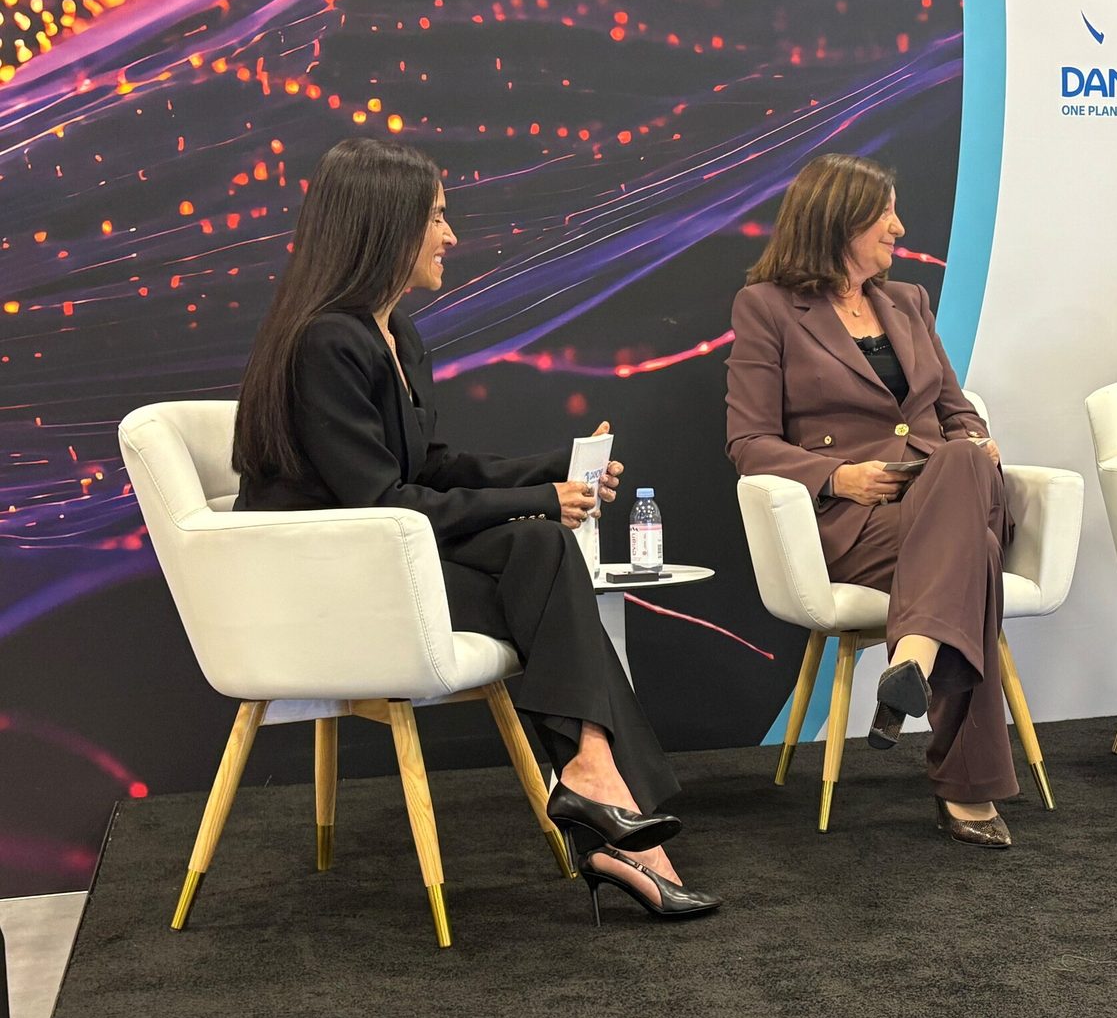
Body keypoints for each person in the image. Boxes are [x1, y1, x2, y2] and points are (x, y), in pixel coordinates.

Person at [233, 137, 720, 920]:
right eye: (436, 217)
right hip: (330, 582)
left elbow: (433, 466)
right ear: (384, 226)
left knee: (540, 544)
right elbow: (383, 501)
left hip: (388, 560)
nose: (451, 236)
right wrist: (537, 500)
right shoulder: (326, 342)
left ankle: (598, 785)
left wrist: (553, 472)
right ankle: (609, 806)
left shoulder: (395, 336)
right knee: (541, 544)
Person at [726, 153, 1017, 848]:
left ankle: (911, 658)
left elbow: (956, 410)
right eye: (885, 213)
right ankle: (963, 784)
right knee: (971, 553)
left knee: (959, 458)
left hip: (945, 488)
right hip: (863, 518)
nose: (899, 226)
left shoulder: (907, 301)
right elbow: (749, 441)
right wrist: (837, 476)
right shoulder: (768, 308)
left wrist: (978, 441)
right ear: (839, 220)